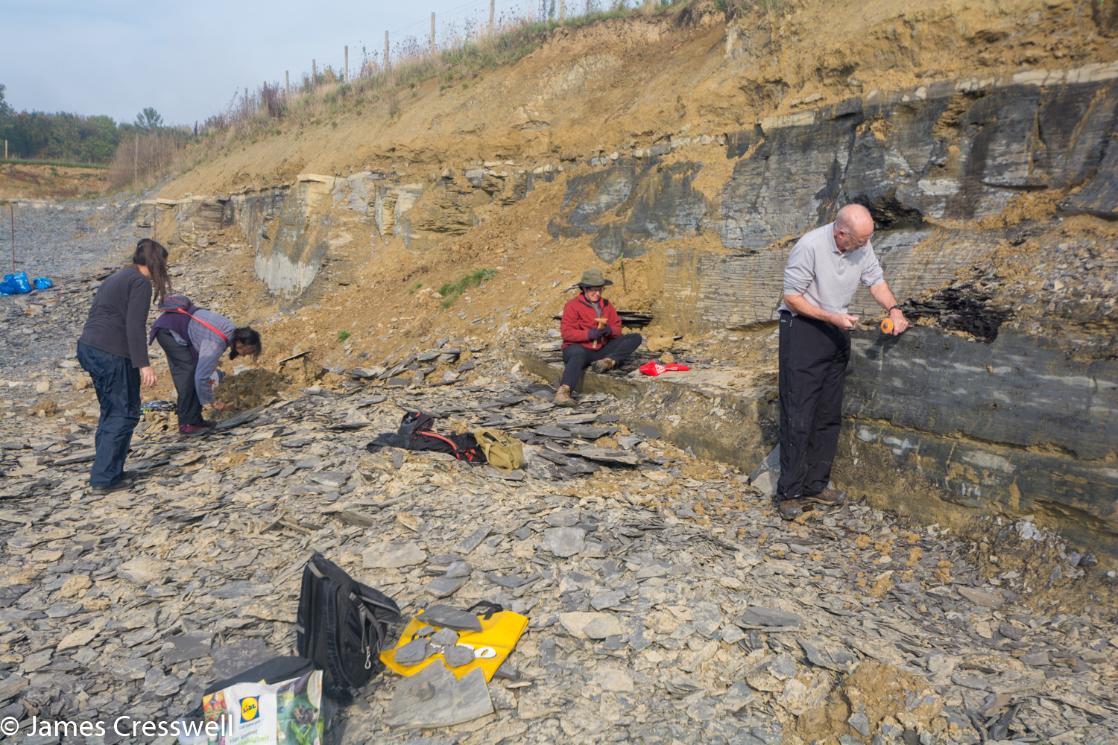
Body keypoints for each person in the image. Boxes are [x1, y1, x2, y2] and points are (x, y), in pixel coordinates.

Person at [775, 204, 910, 520]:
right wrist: (831, 316)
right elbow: (792, 297)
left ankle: (816, 485)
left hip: (837, 327)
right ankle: (789, 493)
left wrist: (894, 309)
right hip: (803, 327)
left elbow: (875, 280)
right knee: (798, 413)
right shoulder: (809, 247)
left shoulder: (861, 244)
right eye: (861, 241)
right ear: (841, 233)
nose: (866, 246)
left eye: (868, 240)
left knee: (828, 412)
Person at [76, 238, 171, 492]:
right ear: (155, 263)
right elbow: (134, 325)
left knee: (111, 411)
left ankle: (110, 471)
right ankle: (104, 478)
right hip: (112, 352)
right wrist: (144, 364)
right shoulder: (139, 282)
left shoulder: (118, 277)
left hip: (89, 347)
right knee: (124, 412)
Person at [148, 295, 261, 435]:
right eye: (247, 351)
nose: (244, 355)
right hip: (168, 331)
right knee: (188, 375)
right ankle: (186, 424)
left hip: (176, 326)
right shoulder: (217, 344)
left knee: (194, 370)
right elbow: (201, 378)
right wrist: (211, 402)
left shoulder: (230, 330)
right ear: (239, 343)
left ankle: (196, 420)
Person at [555, 268, 643, 406]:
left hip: (600, 350)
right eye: (593, 290)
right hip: (579, 349)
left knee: (635, 338)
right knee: (577, 353)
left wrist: (609, 331)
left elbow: (617, 329)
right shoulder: (572, 305)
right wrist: (588, 334)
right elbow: (567, 333)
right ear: (584, 289)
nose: (597, 294)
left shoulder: (607, 305)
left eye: (600, 290)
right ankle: (563, 392)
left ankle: (608, 362)